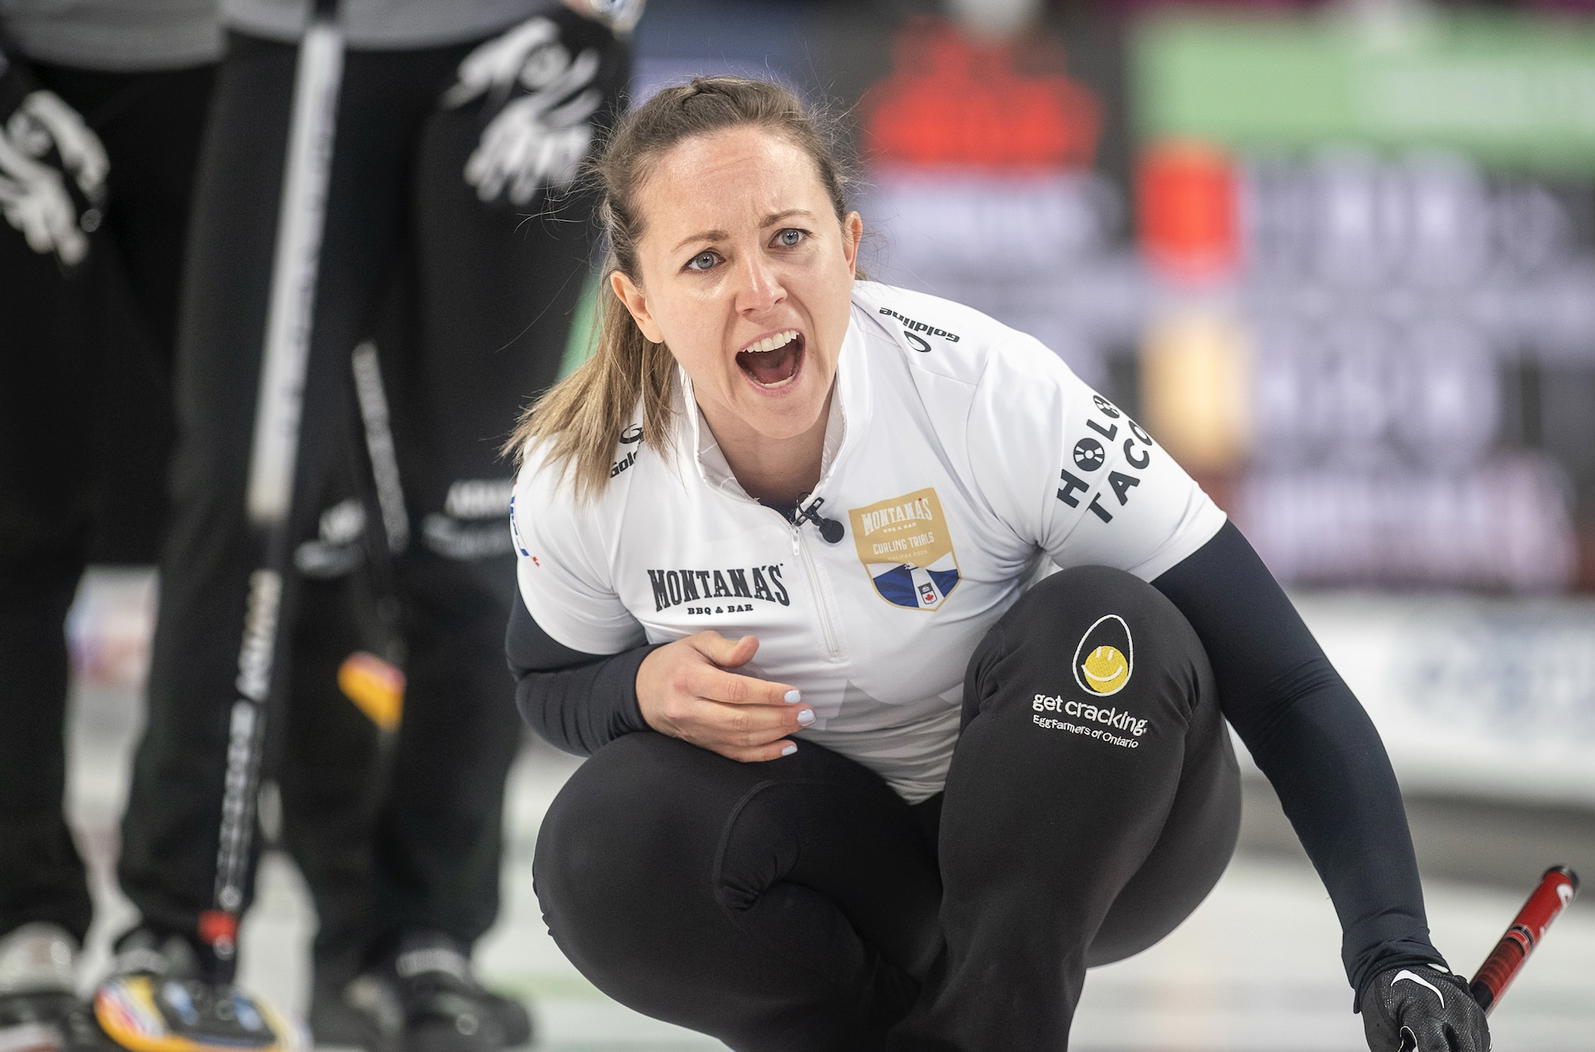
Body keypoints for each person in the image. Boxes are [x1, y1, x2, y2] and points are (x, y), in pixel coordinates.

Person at [503, 76, 1492, 1051]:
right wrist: (637, 689)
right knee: (600, 842)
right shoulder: (583, 474)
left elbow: (1284, 684)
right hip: (836, 861)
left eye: (788, 238)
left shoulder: (987, 391)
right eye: (706, 260)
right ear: (640, 303)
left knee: (1108, 623)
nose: (760, 290)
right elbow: (549, 681)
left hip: (1086, 836)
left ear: (848, 247)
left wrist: (1392, 950)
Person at [104, 2, 636, 1050]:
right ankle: (180, 928)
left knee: (476, 522)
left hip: (527, 36)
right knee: (246, 501)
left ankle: (427, 941)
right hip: (303, 43)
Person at [0, 3, 217, 1046]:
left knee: (257, 516)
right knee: (15, 519)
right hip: (25, 55)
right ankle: (23, 917)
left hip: (244, 63)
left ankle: (190, 917)